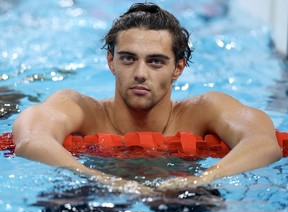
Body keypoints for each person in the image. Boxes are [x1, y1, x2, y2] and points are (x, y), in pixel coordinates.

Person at [13, 3, 282, 194]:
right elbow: (30, 141)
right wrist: (107, 182)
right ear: (111, 61)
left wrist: (197, 181)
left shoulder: (203, 110)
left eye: (155, 62)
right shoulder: (80, 108)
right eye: (128, 59)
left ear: (178, 68)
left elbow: (264, 144)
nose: (140, 74)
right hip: (93, 188)